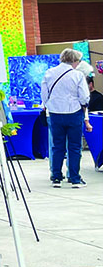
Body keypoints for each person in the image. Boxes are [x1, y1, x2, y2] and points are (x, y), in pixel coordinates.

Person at [41, 48, 91, 187]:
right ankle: (74, 178)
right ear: (74, 61)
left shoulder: (49, 73)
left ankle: (56, 177)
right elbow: (84, 95)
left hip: (55, 113)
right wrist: (84, 104)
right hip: (74, 112)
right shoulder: (78, 75)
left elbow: (44, 94)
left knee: (57, 146)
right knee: (74, 146)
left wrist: (48, 105)